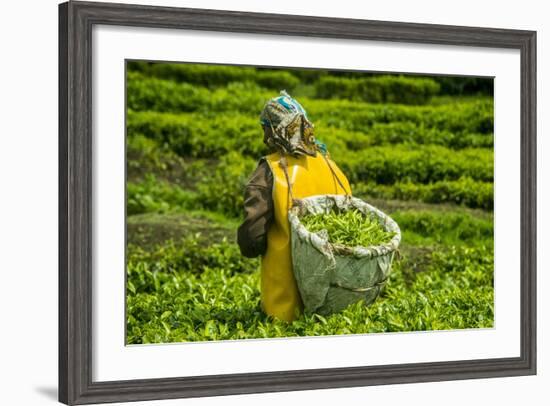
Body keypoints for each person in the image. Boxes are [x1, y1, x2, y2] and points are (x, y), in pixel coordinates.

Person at [237, 90, 352, 322]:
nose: (264, 139)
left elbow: (251, 239)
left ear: (277, 129)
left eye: (265, 129)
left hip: (286, 306)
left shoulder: (270, 171)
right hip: (335, 303)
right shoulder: (330, 165)